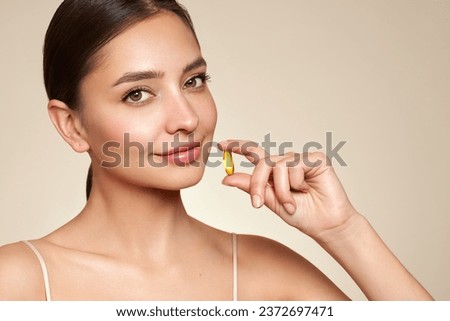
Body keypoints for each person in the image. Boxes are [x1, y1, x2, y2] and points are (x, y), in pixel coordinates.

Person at [0, 0, 433, 301]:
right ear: (71, 125)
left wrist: (344, 231)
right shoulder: (18, 281)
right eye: (138, 94)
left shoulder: (267, 272)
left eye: (194, 81)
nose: (187, 119)